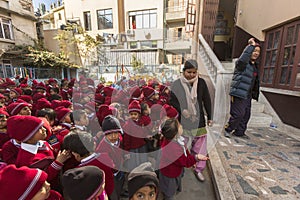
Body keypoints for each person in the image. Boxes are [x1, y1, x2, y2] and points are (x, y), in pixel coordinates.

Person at [169, 59, 212, 182]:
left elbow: (207, 100)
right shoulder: (177, 84)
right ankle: (183, 163)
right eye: (189, 72)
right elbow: (172, 100)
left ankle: (198, 168)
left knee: (201, 144)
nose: (192, 75)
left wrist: (210, 117)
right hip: (184, 120)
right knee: (182, 143)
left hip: (198, 120)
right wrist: (182, 110)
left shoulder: (202, 83)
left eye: (194, 72)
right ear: (183, 71)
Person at [159, 118, 209, 199]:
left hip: (172, 169)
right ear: (175, 134)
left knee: (170, 186)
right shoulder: (173, 148)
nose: (181, 126)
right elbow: (185, 162)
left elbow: (185, 151)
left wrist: (190, 157)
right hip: (170, 173)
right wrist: (196, 158)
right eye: (179, 126)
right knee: (169, 190)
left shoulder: (173, 140)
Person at [224, 38, 261, 139]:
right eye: (254, 50)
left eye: (258, 51)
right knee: (238, 114)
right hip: (238, 93)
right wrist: (251, 46)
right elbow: (243, 58)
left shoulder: (255, 66)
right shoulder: (242, 64)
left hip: (247, 94)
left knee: (246, 115)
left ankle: (239, 132)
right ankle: (228, 129)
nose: (256, 53)